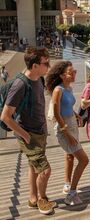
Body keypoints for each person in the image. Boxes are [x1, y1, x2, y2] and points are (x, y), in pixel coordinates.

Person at [0, 47, 56, 215]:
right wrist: (25, 135)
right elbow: (5, 116)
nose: (49, 65)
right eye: (46, 63)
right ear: (34, 66)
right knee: (45, 170)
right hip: (28, 135)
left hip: (39, 132)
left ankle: (33, 198)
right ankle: (42, 199)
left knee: (33, 167)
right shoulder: (20, 85)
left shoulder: (38, 79)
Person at [45, 61, 89, 205]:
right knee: (84, 160)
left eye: (75, 71)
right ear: (63, 75)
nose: (75, 73)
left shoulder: (68, 88)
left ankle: (68, 186)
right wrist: (67, 133)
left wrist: (77, 115)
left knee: (71, 156)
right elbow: (57, 114)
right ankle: (71, 194)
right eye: (72, 71)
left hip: (71, 124)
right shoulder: (58, 90)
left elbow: (67, 106)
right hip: (64, 128)